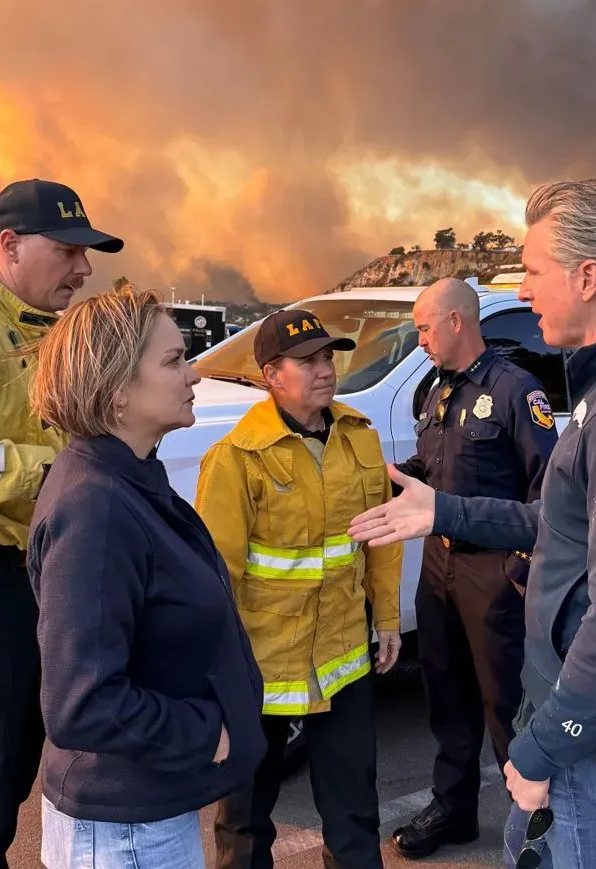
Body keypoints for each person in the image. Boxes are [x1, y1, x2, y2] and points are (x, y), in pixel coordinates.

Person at [348, 178, 596, 869]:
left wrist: (541, 746)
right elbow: (559, 521)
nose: (521, 292)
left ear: (588, 277)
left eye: (531, 271)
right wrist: (444, 508)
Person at [26, 286, 267, 869]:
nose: (192, 376)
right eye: (173, 361)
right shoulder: (97, 508)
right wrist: (206, 733)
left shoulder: (129, 478)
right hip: (124, 832)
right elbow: (82, 703)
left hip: (145, 812)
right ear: (115, 393)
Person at [0, 179, 122, 869]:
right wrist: (38, 471)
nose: (84, 268)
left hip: (35, 584)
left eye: (88, 253)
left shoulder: (46, 334)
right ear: (9, 246)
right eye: (70, 250)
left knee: (12, 766)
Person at [195, 309, 403, 869]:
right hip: (261, 664)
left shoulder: (359, 435)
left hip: (342, 656)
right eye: (306, 360)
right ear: (271, 374)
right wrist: (212, 672)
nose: (324, 369)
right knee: (243, 821)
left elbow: (381, 538)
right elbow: (218, 573)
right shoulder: (237, 457)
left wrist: (386, 619)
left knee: (355, 812)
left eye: (327, 356)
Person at [390, 278, 557, 860]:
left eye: (424, 327)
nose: (420, 340)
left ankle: (530, 821)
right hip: (440, 565)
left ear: (457, 321)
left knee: (505, 703)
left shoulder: (516, 391)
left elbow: (548, 498)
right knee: (447, 690)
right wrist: (377, 475)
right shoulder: (439, 390)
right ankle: (454, 809)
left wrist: (519, 569)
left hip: (494, 573)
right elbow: (431, 469)